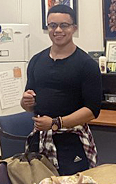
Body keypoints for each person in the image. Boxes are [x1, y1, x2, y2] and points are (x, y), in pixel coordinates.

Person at [21, 4, 101, 175]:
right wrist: (25, 101)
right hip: (40, 140)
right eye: (52, 25)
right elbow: (30, 106)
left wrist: (56, 123)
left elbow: (92, 110)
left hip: (72, 142)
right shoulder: (36, 61)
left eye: (64, 25)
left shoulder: (86, 65)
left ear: (74, 28)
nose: (57, 30)